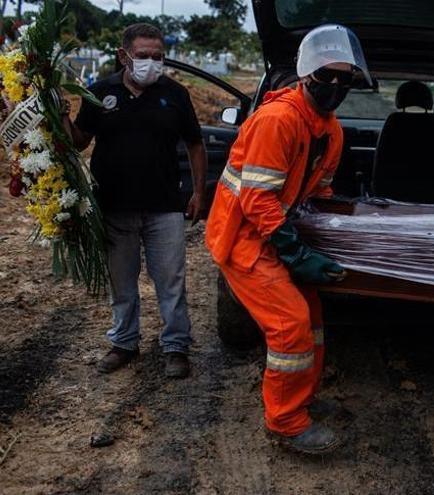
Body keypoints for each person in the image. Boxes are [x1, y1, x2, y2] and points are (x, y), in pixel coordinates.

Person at [205, 24, 371, 455]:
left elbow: (319, 194)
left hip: (277, 231)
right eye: (326, 76)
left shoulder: (331, 132)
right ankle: (284, 421)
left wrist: (340, 234)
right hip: (243, 236)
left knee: (313, 321)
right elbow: (258, 200)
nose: (334, 86)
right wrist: (297, 254)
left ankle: (303, 397)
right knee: (290, 324)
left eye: (344, 78)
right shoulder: (278, 121)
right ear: (305, 75)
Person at [63, 23, 207, 379]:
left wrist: (199, 192)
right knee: (122, 283)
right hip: (113, 205)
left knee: (171, 282)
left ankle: (176, 346)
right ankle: (124, 342)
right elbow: (79, 141)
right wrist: (59, 116)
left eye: (158, 56)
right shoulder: (100, 92)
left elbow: (195, 144)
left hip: (165, 206)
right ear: (123, 55)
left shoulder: (174, 94)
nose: (151, 63)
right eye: (143, 56)